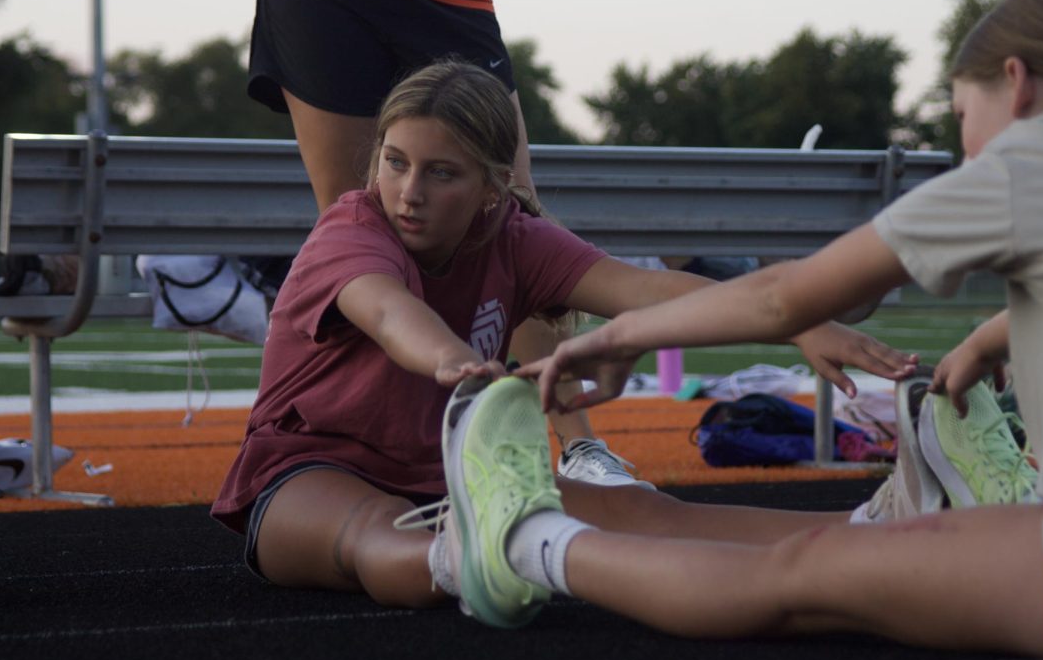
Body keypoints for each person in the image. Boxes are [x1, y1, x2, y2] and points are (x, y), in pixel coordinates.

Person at [431, 0, 1043, 660]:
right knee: (921, 539)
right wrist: (991, 334)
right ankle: (901, 519)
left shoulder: (1035, 162)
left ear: (1017, 82)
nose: (967, 148)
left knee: (797, 576)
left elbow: (787, 297)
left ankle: (526, 542)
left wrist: (618, 334)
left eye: (963, 118)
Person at [209, 60, 920, 610]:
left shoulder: (516, 238)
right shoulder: (354, 227)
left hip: (458, 478)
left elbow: (648, 292)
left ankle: (876, 529)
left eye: (440, 173)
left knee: (640, 509)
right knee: (380, 531)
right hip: (306, 474)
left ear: (491, 187)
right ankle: (474, 560)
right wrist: (462, 366)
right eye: (395, 161)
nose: (409, 192)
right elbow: (392, 314)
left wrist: (799, 324)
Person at [239, 0, 637, 484]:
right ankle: (381, 452)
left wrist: (789, 314)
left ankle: (577, 448)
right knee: (358, 224)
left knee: (512, 216)